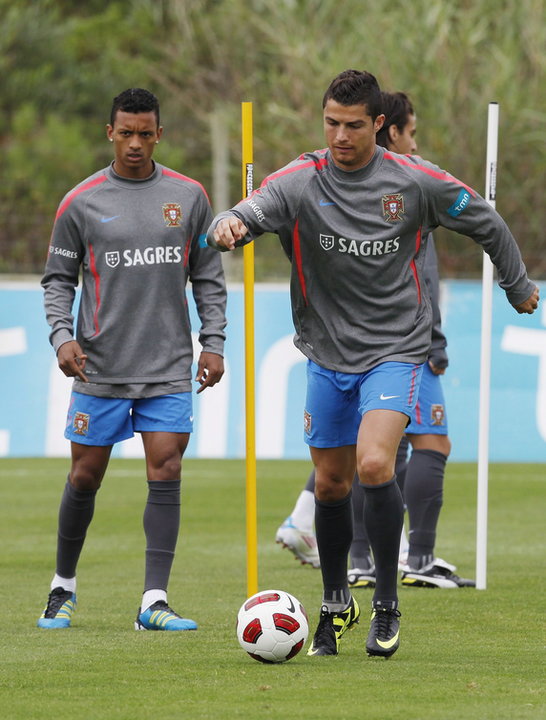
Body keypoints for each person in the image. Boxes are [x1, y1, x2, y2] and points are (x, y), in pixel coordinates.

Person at [208, 70, 538, 659]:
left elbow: (484, 219)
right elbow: (244, 212)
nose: (339, 135)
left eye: (353, 125)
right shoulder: (300, 180)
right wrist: (229, 225)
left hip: (395, 348)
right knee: (331, 483)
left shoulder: (414, 182)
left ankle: (386, 603)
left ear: (378, 124)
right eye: (331, 122)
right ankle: (336, 601)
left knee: (374, 463)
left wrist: (516, 285)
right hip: (325, 352)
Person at [38, 88, 227, 631]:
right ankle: (62, 587)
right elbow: (57, 281)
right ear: (110, 133)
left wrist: (212, 342)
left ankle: (154, 601)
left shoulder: (188, 197)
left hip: (168, 367)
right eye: (127, 133)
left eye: (146, 133)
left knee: (166, 469)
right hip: (99, 367)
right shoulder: (82, 202)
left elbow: (208, 278)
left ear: (160, 134)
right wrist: (60, 337)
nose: (136, 143)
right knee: (85, 474)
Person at [277, 91, 473, 589]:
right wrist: (437, 342)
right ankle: (410, 559)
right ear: (391, 130)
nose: (415, 142)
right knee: (415, 446)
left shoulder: (403, 186)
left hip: (385, 343)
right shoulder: (407, 184)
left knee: (374, 455)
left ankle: (363, 559)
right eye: (411, 132)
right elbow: (421, 277)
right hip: (402, 341)